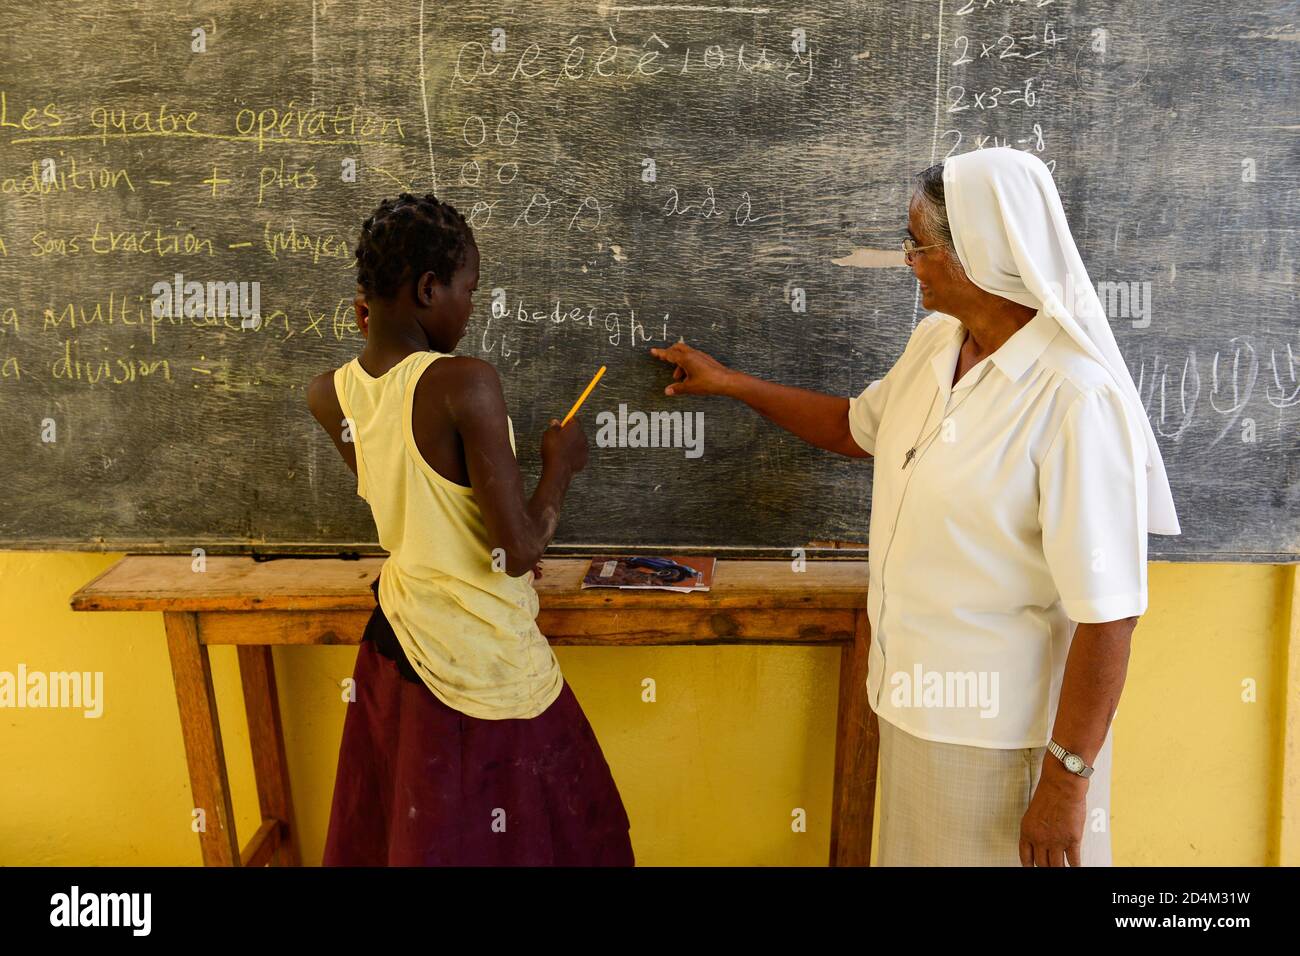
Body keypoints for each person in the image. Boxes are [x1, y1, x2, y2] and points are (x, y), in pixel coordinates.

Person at [650, 147, 1179, 866]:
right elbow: (853, 426)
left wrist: (1065, 781)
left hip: (1000, 740)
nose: (908, 260)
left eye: (919, 245)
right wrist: (733, 384)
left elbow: (1110, 612)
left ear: (980, 257)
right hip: (909, 706)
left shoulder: (1074, 401)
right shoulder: (938, 344)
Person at [307, 192, 633, 866]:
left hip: (398, 644)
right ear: (429, 288)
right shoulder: (465, 383)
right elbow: (516, 549)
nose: (472, 305)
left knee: (428, 837)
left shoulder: (328, 392)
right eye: (468, 289)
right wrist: (559, 465)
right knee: (545, 838)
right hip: (480, 656)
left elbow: (419, 504)